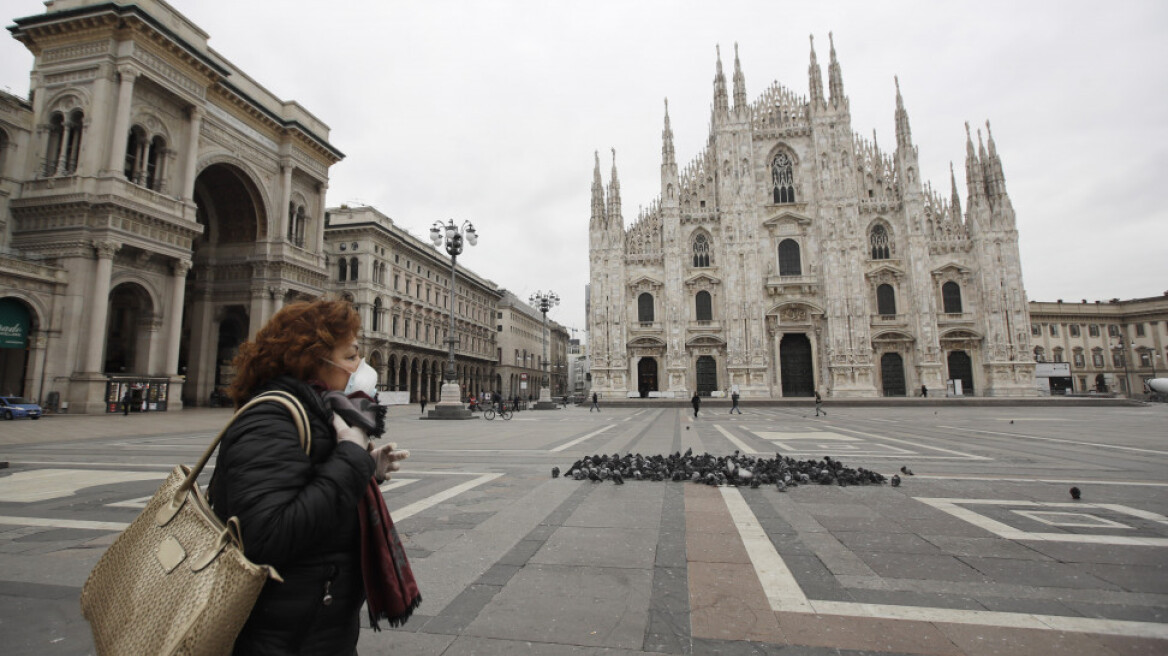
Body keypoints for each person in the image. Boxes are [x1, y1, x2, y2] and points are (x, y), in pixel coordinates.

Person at [211, 299, 415, 654]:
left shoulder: (318, 412)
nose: (361, 367)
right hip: (282, 635)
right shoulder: (269, 420)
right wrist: (351, 457)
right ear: (312, 359)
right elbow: (267, 535)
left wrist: (367, 469)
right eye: (351, 355)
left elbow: (310, 488)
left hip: (315, 623)